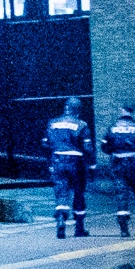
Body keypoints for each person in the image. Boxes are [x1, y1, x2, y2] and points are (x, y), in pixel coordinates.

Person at [42, 94, 95, 239]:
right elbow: (88, 147)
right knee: (78, 192)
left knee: (61, 192)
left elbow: (45, 143)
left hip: (57, 159)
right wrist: (91, 164)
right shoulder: (82, 124)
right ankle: (79, 228)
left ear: (65, 108)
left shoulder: (52, 123)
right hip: (76, 161)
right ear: (77, 110)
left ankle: (61, 220)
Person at [103, 100, 135, 237]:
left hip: (118, 163)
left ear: (121, 109)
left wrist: (115, 151)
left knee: (121, 195)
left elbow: (105, 147)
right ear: (133, 110)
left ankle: (124, 229)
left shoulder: (112, 127)